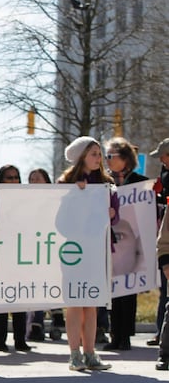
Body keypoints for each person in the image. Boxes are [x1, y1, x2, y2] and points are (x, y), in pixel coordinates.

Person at [58, 136, 116, 371]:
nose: (98, 158)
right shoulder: (66, 183)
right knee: (74, 302)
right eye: (93, 154)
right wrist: (76, 196)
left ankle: (90, 353)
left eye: (99, 154)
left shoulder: (106, 183)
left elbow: (114, 215)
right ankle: (74, 354)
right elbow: (60, 220)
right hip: (73, 252)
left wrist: (112, 214)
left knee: (91, 303)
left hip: (97, 251)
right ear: (82, 156)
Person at [103, 137, 149, 351]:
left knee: (128, 289)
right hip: (108, 241)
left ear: (125, 159)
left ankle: (125, 336)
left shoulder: (141, 183)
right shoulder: (104, 182)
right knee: (112, 291)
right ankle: (114, 334)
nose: (107, 160)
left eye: (110, 156)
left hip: (130, 243)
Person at [0, 165, 31, 353]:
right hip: (0, 253)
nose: (14, 180)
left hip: (19, 253)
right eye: (9, 177)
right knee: (1, 299)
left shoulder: (25, 201)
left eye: (16, 177)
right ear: (1, 180)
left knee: (19, 299)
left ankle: (20, 340)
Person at [25, 168, 65, 342]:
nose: (34, 182)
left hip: (51, 244)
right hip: (33, 247)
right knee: (36, 284)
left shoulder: (55, 199)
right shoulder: (23, 201)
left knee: (52, 282)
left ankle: (57, 316)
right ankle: (36, 323)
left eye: (37, 178)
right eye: (31, 179)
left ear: (46, 181)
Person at [151, 138, 169, 349]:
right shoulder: (164, 176)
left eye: (163, 156)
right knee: (166, 294)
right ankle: (163, 342)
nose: (161, 160)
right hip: (166, 243)